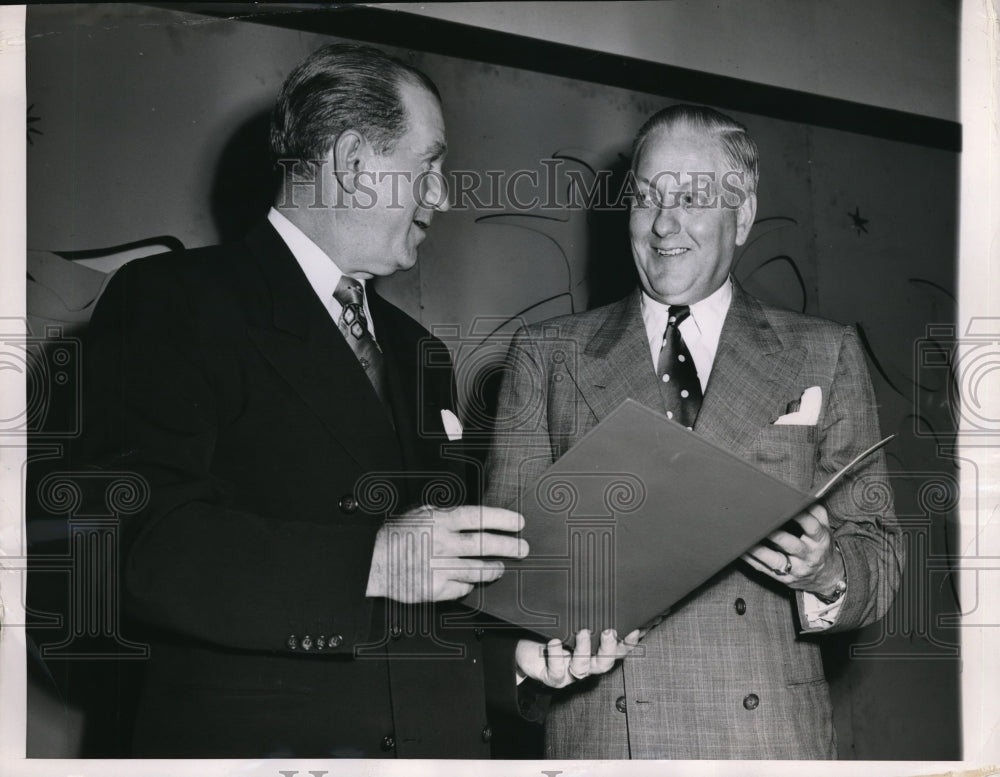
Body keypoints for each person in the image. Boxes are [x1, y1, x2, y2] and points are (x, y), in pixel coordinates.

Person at [79, 43, 629, 759]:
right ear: (350, 162)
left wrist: (517, 664)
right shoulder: (175, 302)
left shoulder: (418, 350)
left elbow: (428, 600)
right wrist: (373, 559)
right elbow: (134, 546)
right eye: (428, 164)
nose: (443, 195)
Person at [485, 104, 904, 759]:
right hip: (607, 737)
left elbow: (880, 556)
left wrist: (827, 571)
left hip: (764, 740)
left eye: (690, 197)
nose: (664, 222)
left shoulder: (823, 352)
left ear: (741, 215)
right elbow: (503, 564)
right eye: (648, 197)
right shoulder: (547, 354)